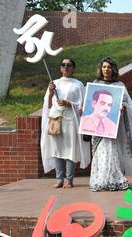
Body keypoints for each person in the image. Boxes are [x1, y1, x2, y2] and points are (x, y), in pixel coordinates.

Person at [87, 57, 132, 192]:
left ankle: (114, 179)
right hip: (97, 128)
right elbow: (89, 104)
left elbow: (128, 104)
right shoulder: (95, 84)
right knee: (100, 152)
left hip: (113, 127)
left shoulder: (119, 85)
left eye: (109, 67)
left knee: (112, 152)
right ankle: (100, 179)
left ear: (113, 69)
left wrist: (123, 108)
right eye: (104, 67)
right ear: (101, 69)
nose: (106, 69)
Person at [41, 58, 91, 189]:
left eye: (68, 65)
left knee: (70, 150)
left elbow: (83, 105)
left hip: (70, 120)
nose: (66, 67)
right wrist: (51, 92)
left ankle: (69, 179)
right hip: (56, 119)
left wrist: (70, 104)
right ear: (60, 68)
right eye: (63, 64)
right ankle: (59, 179)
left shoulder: (78, 85)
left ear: (73, 68)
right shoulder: (54, 83)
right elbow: (48, 104)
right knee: (56, 150)